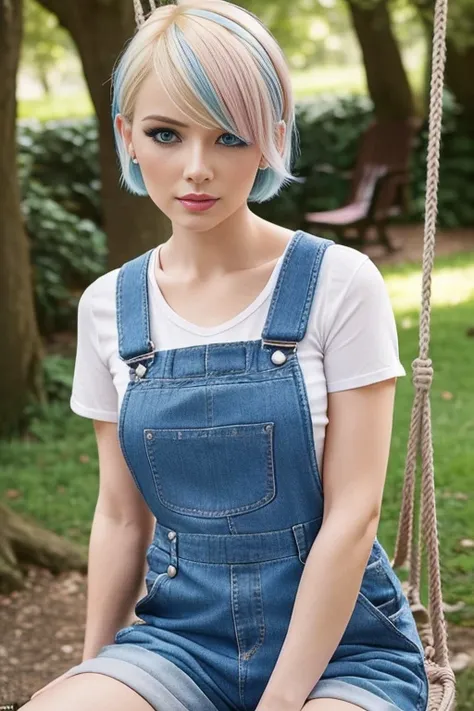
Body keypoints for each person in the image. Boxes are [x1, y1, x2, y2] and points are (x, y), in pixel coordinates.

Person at [24, 1, 429, 710]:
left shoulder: (339, 283)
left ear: (272, 139)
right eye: (166, 134)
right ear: (128, 137)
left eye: (230, 136)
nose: (197, 168)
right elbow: (121, 515)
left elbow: (354, 514)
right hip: (180, 641)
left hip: (344, 648)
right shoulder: (107, 308)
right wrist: (92, 672)